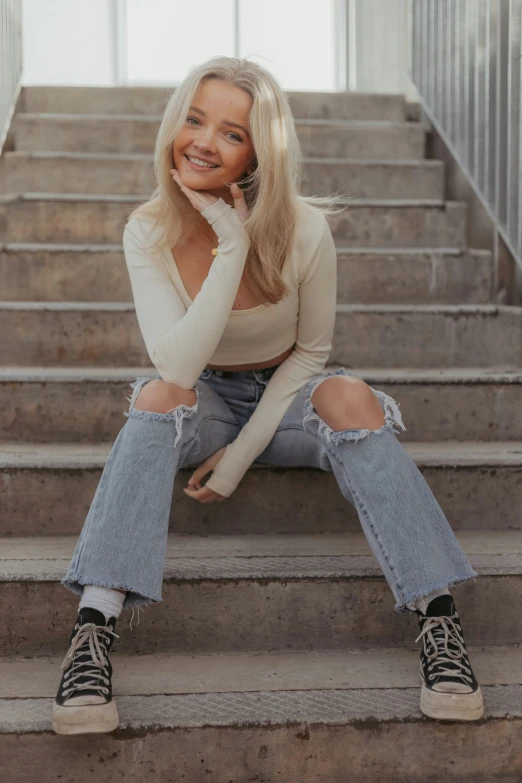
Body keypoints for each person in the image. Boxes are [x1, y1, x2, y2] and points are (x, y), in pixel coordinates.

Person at [52, 56, 484, 735]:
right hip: (206, 396)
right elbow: (179, 363)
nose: (202, 141)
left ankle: (439, 622)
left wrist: (240, 457)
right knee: (158, 396)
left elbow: (311, 351)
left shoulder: (306, 229)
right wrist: (228, 246)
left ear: (259, 153)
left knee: (352, 397)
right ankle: (93, 629)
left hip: (290, 395)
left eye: (231, 132)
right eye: (194, 120)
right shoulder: (148, 229)